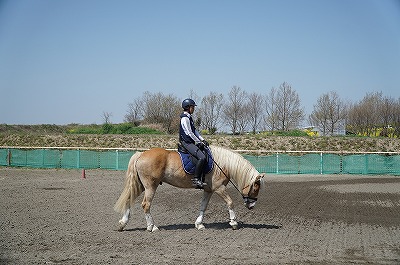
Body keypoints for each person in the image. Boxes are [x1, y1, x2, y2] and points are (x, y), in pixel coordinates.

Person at [179, 98, 209, 188]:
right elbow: (189, 133)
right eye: (192, 107)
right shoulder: (185, 119)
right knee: (202, 157)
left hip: (190, 141)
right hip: (186, 142)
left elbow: (195, 131)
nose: (194, 109)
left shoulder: (189, 118)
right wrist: (198, 141)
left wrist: (202, 140)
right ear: (188, 107)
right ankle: (196, 179)